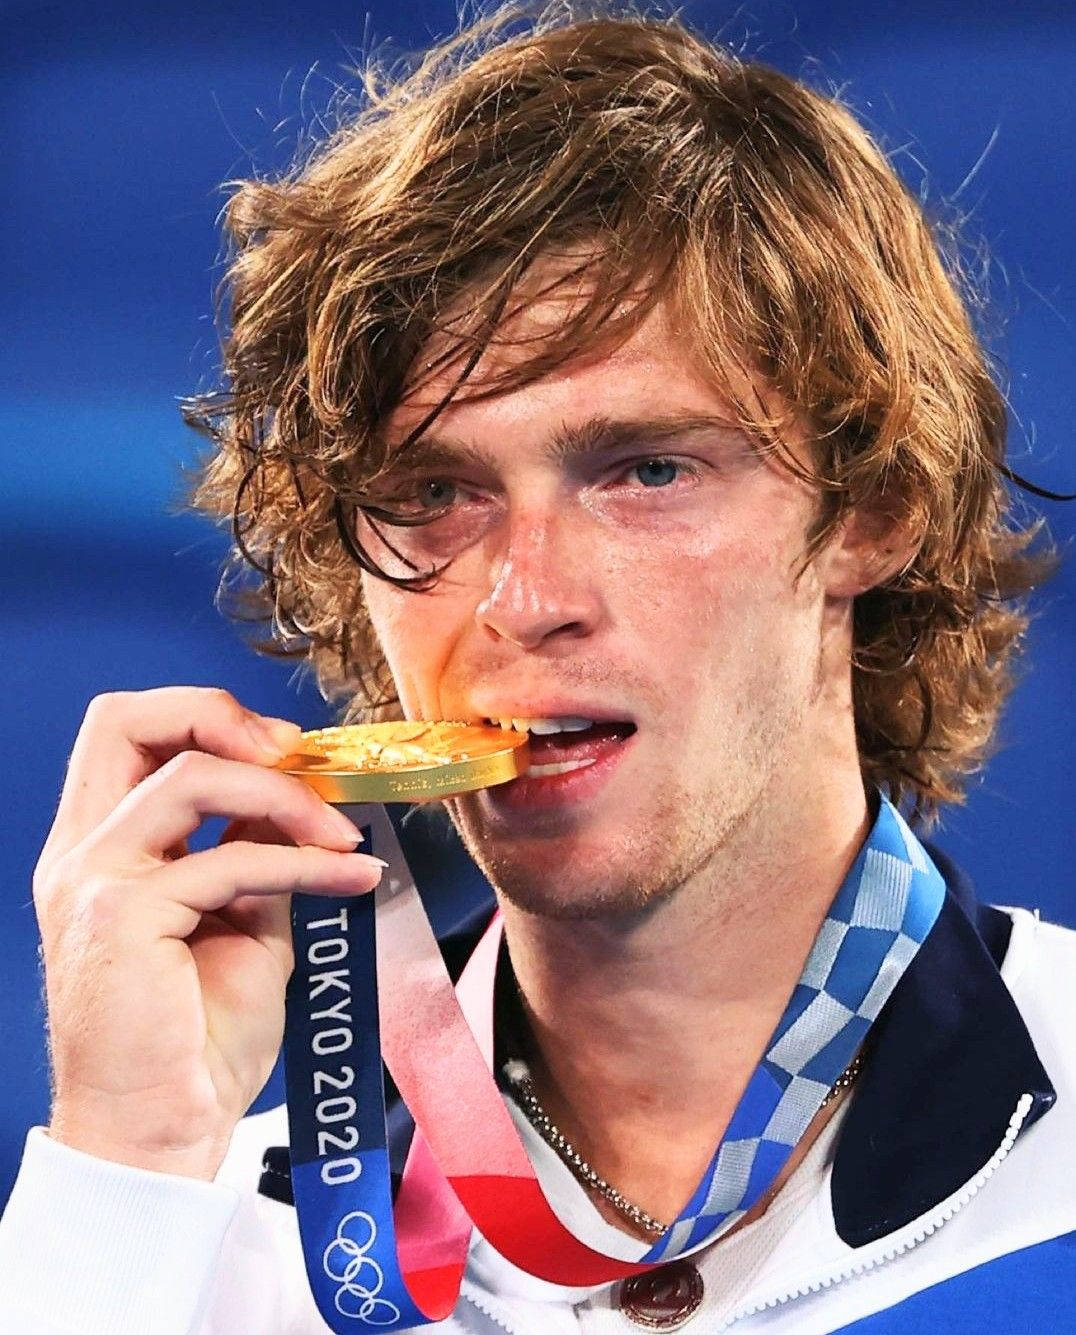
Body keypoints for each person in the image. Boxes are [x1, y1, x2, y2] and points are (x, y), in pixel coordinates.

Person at [1, 7, 1073, 1333]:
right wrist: (124, 1167)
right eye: (434, 492)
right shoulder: (187, 1227)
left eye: (646, 471)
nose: (525, 601)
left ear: (870, 511)